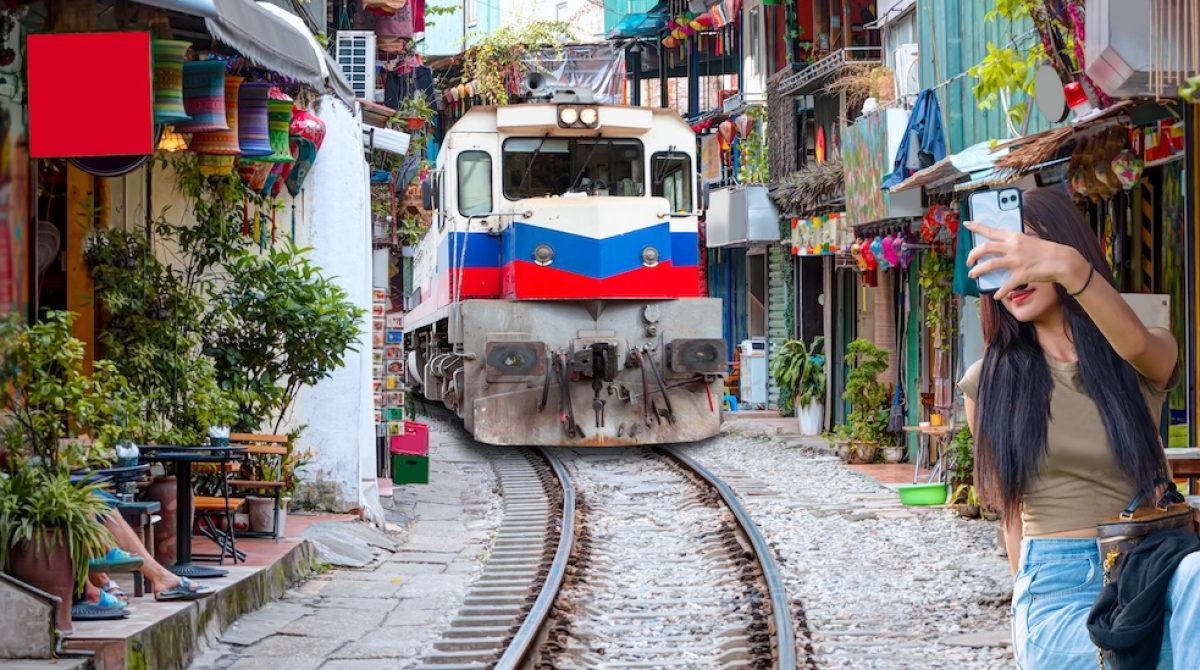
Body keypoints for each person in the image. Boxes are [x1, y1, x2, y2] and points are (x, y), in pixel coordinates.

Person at [959, 186, 1199, 668]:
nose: (1016, 272)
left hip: (1149, 571)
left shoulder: (1140, 356)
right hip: (1054, 594)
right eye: (1001, 257)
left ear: (1064, 250)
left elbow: (1134, 343)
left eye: (1027, 252)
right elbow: (1012, 522)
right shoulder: (989, 383)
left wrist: (1070, 268)